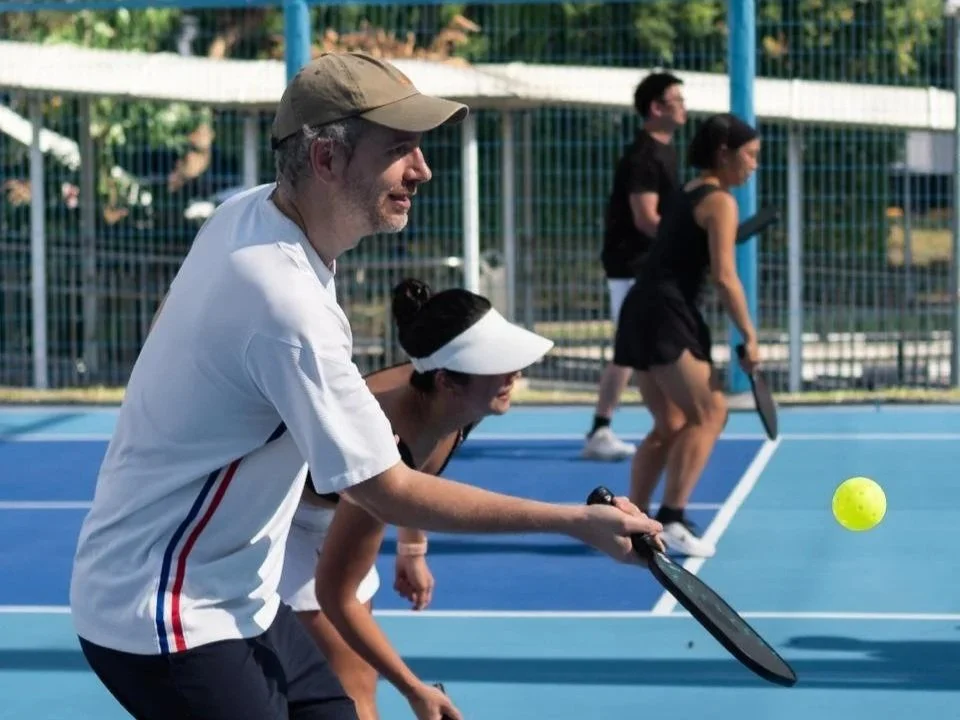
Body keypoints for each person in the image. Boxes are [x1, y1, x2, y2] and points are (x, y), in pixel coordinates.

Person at [68, 51, 664, 720]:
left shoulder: (251, 216)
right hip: (167, 613)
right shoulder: (286, 304)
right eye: (400, 149)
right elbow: (388, 490)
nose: (423, 169)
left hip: (234, 595)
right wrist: (576, 522)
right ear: (325, 161)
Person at [278, 277, 555, 720]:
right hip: (282, 525)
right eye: (498, 365)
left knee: (350, 683)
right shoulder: (378, 444)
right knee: (349, 691)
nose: (514, 374)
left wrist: (412, 545)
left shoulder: (457, 398)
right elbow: (337, 595)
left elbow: (411, 483)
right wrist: (414, 690)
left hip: (339, 509)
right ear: (448, 381)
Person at [613, 112, 762, 558]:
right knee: (711, 412)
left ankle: (629, 520)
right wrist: (750, 337)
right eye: (750, 156)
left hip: (641, 307)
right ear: (725, 153)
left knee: (671, 424)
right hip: (666, 312)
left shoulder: (689, 192)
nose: (754, 166)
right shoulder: (721, 201)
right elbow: (724, 277)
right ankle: (673, 519)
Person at [583, 71, 687, 462]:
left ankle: (613, 426)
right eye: (677, 100)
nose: (684, 107)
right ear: (657, 107)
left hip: (647, 266)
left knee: (632, 347)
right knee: (629, 348)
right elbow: (646, 218)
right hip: (632, 266)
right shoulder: (644, 156)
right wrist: (688, 240)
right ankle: (602, 428)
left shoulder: (665, 151)